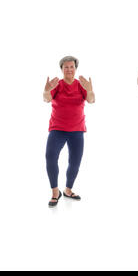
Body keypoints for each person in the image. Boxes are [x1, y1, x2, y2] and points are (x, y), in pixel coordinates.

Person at [44, 56, 95, 207]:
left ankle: (68, 190)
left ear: (75, 68)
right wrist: (46, 90)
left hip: (77, 130)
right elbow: (46, 98)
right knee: (50, 157)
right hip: (57, 129)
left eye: (71, 67)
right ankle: (55, 192)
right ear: (61, 69)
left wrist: (90, 90)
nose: (69, 69)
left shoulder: (81, 85)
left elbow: (91, 100)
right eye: (66, 67)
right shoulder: (57, 85)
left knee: (75, 162)